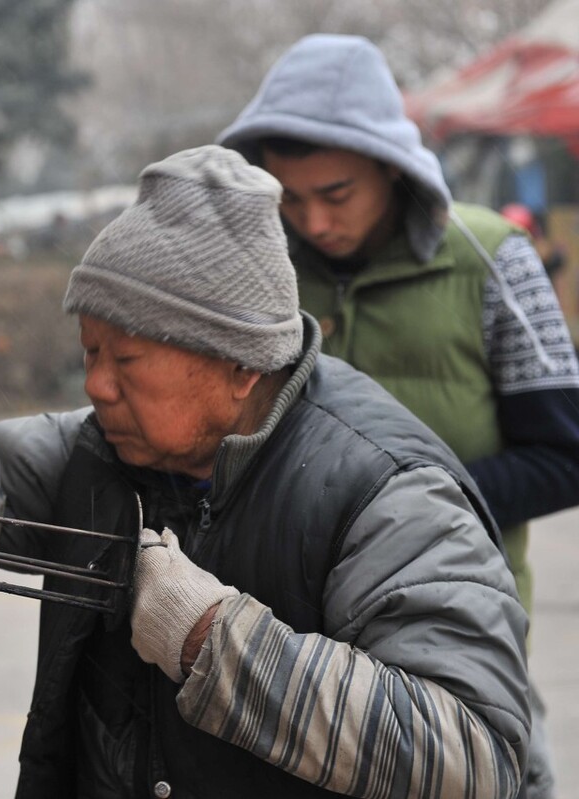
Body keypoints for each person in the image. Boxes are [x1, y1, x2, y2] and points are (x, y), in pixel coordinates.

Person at [0, 145, 531, 798]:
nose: (94, 385)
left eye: (125, 359)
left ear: (236, 364)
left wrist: (212, 640)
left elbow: (478, 753)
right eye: (88, 351)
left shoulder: (387, 488)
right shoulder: (112, 452)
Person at [216, 34, 579, 798]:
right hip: (285, 651)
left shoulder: (495, 260)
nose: (313, 221)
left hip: (457, 636)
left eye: (337, 193)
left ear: (392, 164)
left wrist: (401, 512)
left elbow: (565, 455)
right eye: (290, 196)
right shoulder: (256, 275)